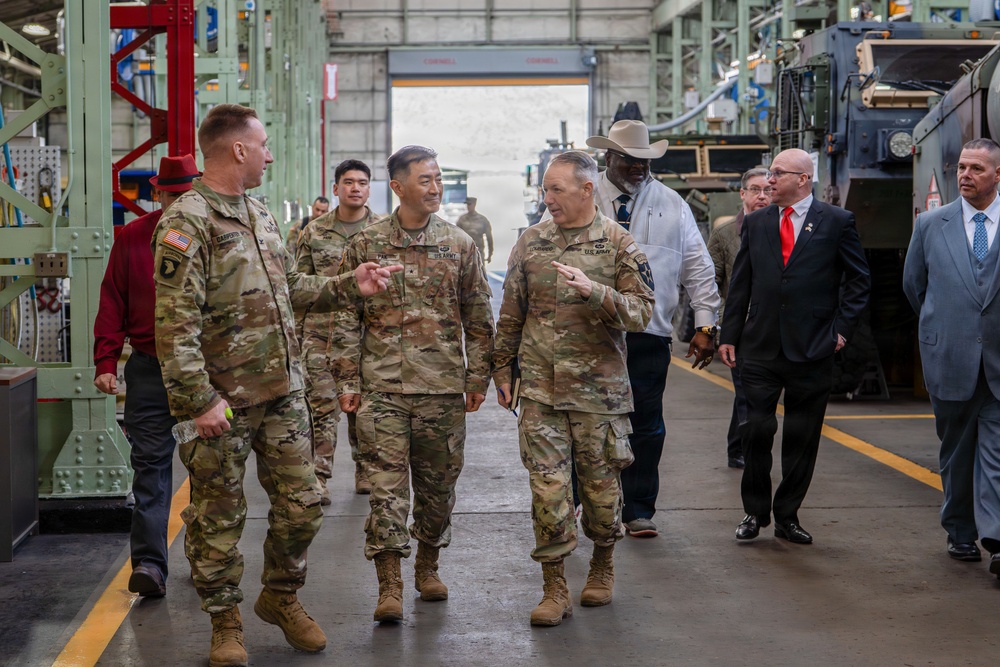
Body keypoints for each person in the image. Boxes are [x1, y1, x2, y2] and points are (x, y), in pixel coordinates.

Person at [152, 104, 399, 666]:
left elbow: (291, 289)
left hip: (282, 392)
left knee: (304, 504)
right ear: (238, 149)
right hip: (221, 402)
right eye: (262, 145)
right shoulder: (188, 221)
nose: (269, 155)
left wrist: (350, 284)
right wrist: (199, 401)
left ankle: (280, 597)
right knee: (219, 517)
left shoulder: (258, 213)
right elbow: (174, 326)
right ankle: (225, 622)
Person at [332, 145, 494, 624]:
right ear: (398, 187)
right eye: (426, 180)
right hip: (381, 390)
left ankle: (427, 565)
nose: (436, 187)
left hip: (442, 390)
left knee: (438, 490)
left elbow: (479, 317)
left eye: (438, 179)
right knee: (386, 491)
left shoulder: (459, 244)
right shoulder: (366, 244)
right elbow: (345, 314)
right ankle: (390, 584)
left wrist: (478, 377)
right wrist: (347, 378)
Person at [493, 150, 654, 626]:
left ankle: (602, 564)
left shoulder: (619, 243)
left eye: (556, 189)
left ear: (587, 190)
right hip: (540, 391)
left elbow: (642, 313)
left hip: (599, 397)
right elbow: (511, 313)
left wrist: (594, 291)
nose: (548, 198)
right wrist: (501, 370)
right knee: (548, 493)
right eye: (545, 189)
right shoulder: (531, 242)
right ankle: (554, 587)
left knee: (602, 497)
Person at [719, 148, 870, 545]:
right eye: (769, 173)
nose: (769, 181)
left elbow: (858, 281)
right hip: (759, 345)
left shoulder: (836, 221)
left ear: (803, 179)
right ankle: (755, 512)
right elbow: (741, 283)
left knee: (802, 437)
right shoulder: (757, 222)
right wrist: (729, 334)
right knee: (755, 429)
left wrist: (841, 331)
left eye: (777, 173)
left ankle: (787, 516)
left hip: (813, 345)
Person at [585, 120, 720, 538]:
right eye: (629, 159)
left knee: (645, 425)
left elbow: (697, 266)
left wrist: (706, 323)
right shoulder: (581, 196)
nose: (639, 167)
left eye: (644, 160)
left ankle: (638, 508)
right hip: (587, 335)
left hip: (648, 333)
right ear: (609, 157)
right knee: (584, 423)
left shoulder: (671, 203)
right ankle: (580, 503)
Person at [93, 154, 200, 598]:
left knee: (210, 468)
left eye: (185, 195)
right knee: (150, 467)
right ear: (157, 194)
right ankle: (150, 566)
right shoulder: (133, 237)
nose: (178, 202)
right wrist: (105, 361)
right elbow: (113, 299)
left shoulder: (212, 235)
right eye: (171, 195)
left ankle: (207, 556)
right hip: (150, 371)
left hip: (202, 374)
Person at [903, 137, 1000, 577]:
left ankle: (997, 538)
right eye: (962, 167)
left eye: (977, 168)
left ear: (997, 175)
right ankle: (960, 531)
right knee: (956, 453)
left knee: (996, 454)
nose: (965, 175)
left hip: (998, 363)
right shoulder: (930, 225)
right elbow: (915, 287)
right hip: (950, 356)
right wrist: (945, 324)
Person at [295, 160, 382, 499]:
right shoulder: (314, 232)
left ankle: (366, 471)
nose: (355, 188)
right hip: (322, 334)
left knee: (367, 409)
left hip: (368, 336)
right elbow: (298, 285)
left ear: (369, 189)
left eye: (362, 182)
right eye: (348, 182)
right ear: (336, 189)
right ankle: (319, 477)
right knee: (320, 407)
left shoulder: (382, 231)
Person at [708, 167, 773, 469]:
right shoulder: (724, 235)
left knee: (754, 394)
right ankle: (746, 451)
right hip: (741, 328)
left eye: (768, 190)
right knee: (747, 392)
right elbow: (710, 283)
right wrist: (719, 324)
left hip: (774, 326)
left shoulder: (782, 228)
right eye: (756, 190)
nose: (762, 196)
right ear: (743, 193)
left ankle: (738, 447)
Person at [455, 196, 494, 264]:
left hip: (478, 251)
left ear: (474, 204)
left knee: (480, 269)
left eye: (469, 204)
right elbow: (456, 237)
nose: (468, 206)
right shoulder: (462, 219)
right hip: (464, 252)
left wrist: (490, 254)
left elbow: (489, 238)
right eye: (467, 204)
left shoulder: (482, 220)